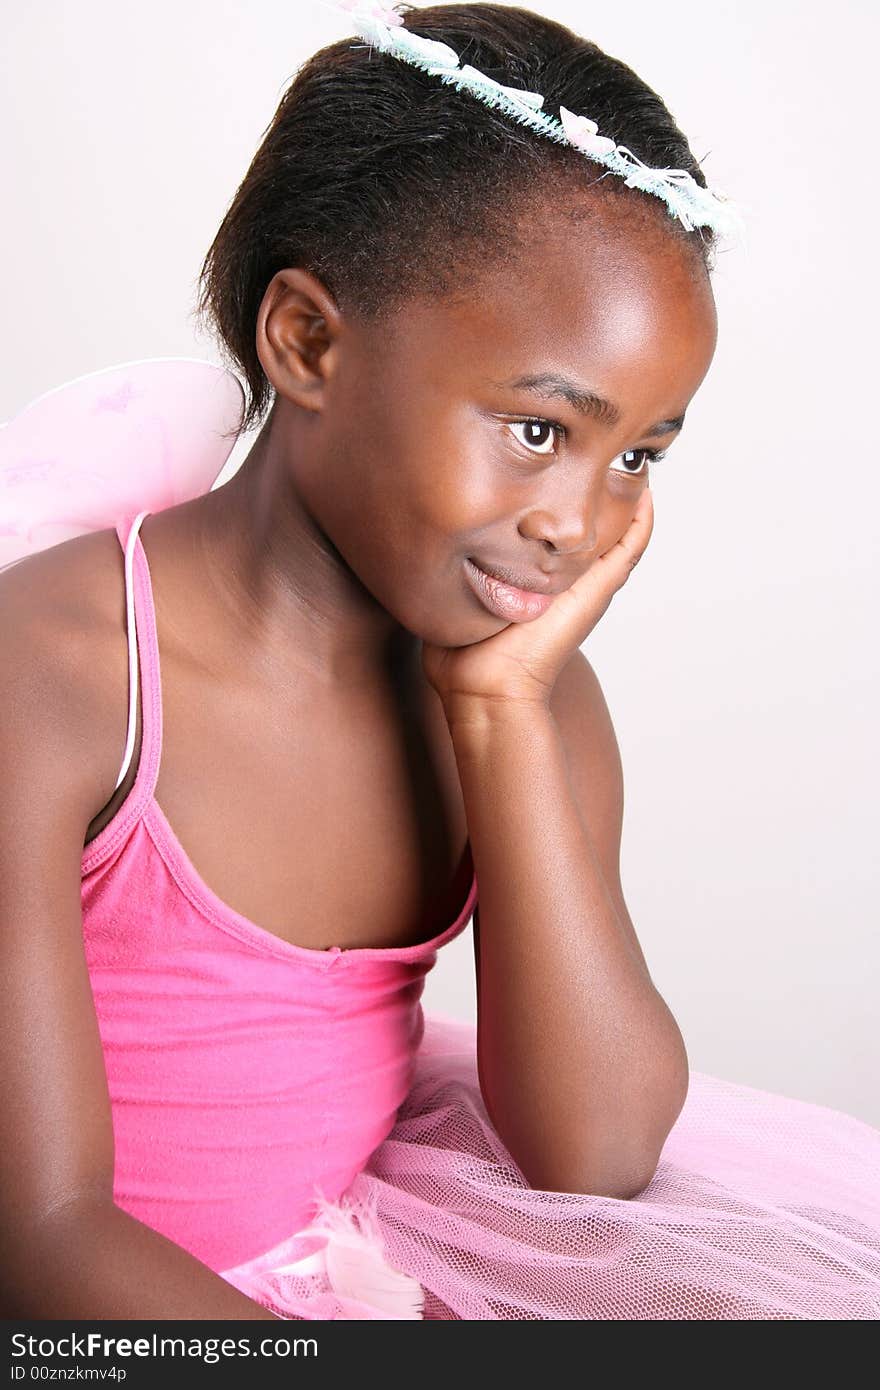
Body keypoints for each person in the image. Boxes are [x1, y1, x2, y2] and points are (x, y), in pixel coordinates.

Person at [1, 1, 878, 1321]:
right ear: (308, 342)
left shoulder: (521, 689)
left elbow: (597, 1152)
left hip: (347, 1272)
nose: (579, 522)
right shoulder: (63, 675)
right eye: (538, 428)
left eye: (637, 454)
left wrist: (505, 718)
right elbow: (45, 1229)